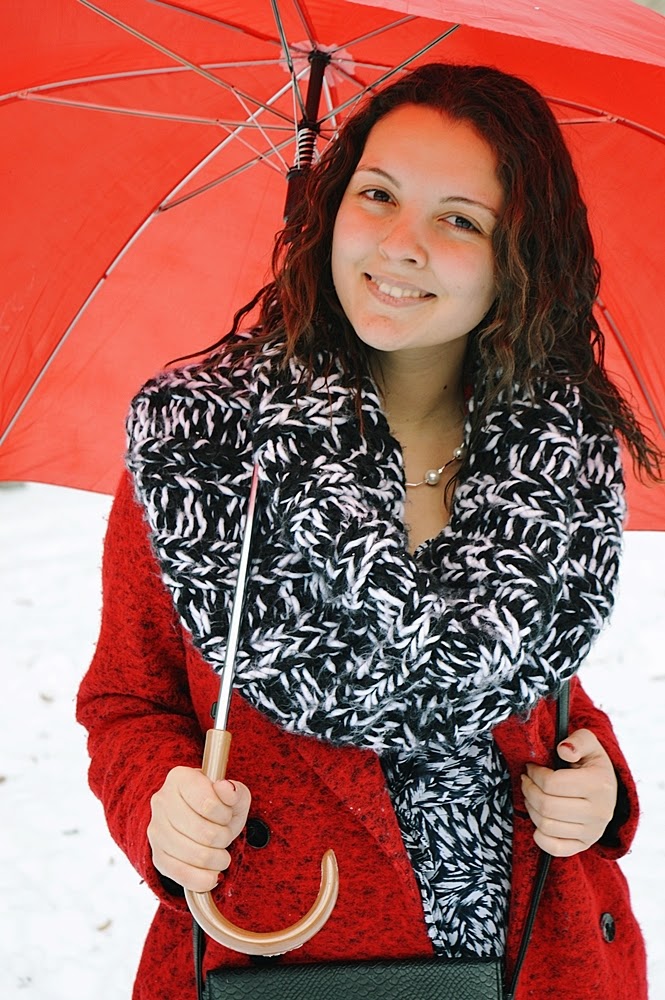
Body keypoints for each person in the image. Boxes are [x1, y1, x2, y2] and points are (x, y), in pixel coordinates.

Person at [77, 63, 660, 999]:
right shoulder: (205, 451)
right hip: (281, 962)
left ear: (522, 258)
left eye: (459, 219)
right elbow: (127, 700)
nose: (399, 245)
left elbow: (528, 687)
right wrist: (159, 801)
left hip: (539, 961)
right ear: (330, 206)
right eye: (378, 195)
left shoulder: (552, 459)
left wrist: (599, 782)